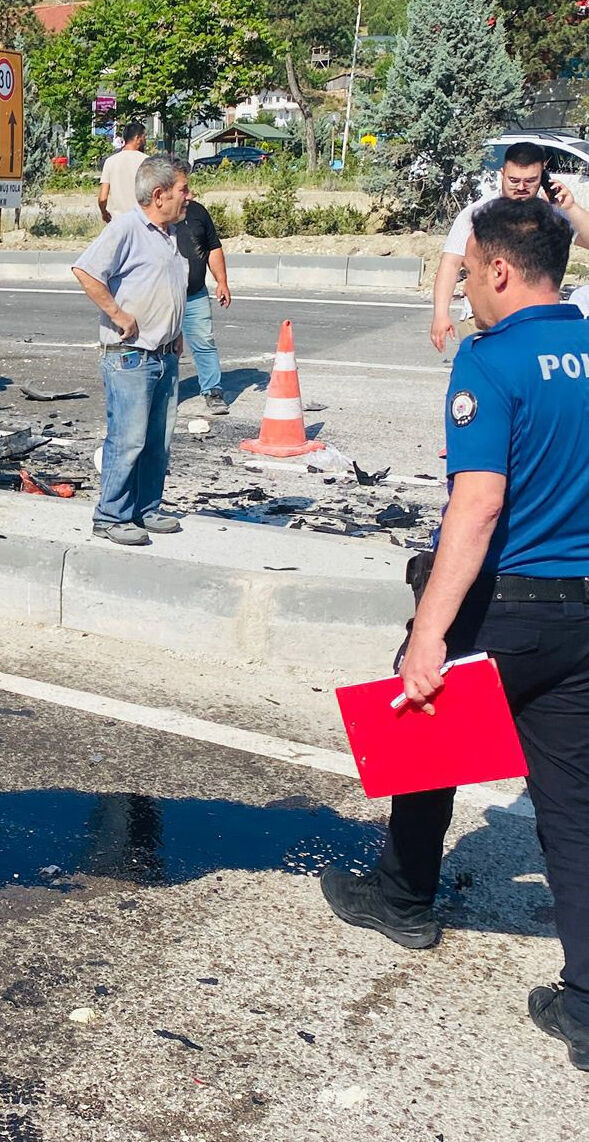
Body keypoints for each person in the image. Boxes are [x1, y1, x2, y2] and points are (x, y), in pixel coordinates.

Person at [321, 197, 589, 1073]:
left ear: (499, 270)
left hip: (503, 605)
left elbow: (474, 508)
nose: (464, 287)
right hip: (582, 613)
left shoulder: (489, 359)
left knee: (423, 733)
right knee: (573, 808)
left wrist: (428, 636)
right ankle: (585, 1006)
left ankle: (401, 900)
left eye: (467, 272)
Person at [72, 154, 191, 547]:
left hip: (164, 355)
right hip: (131, 356)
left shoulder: (170, 234)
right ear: (159, 195)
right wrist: (118, 314)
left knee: (157, 442)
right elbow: (86, 271)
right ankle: (110, 516)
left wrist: (176, 331)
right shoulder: (126, 227)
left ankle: (146, 508)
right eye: (183, 190)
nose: (188, 196)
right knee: (128, 441)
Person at [430, 140, 589, 352]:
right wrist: (441, 314)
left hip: (536, 322)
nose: (521, 187)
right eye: (514, 180)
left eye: (531, 181)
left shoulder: (551, 214)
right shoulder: (477, 213)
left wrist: (571, 207)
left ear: (543, 176)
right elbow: (450, 263)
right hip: (484, 321)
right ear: (502, 173)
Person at [177, 196, 231, 416]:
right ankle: (161, 394)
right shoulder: (154, 216)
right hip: (163, 298)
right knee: (162, 348)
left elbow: (213, 247)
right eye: (182, 188)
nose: (188, 194)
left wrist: (221, 282)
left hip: (195, 294)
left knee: (204, 342)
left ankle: (213, 391)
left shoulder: (198, 212)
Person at [98, 121, 147, 224]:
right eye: (144, 137)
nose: (145, 140)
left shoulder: (110, 161)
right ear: (137, 138)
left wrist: (104, 212)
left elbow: (103, 198)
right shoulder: (147, 161)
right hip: (142, 221)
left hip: (118, 221)